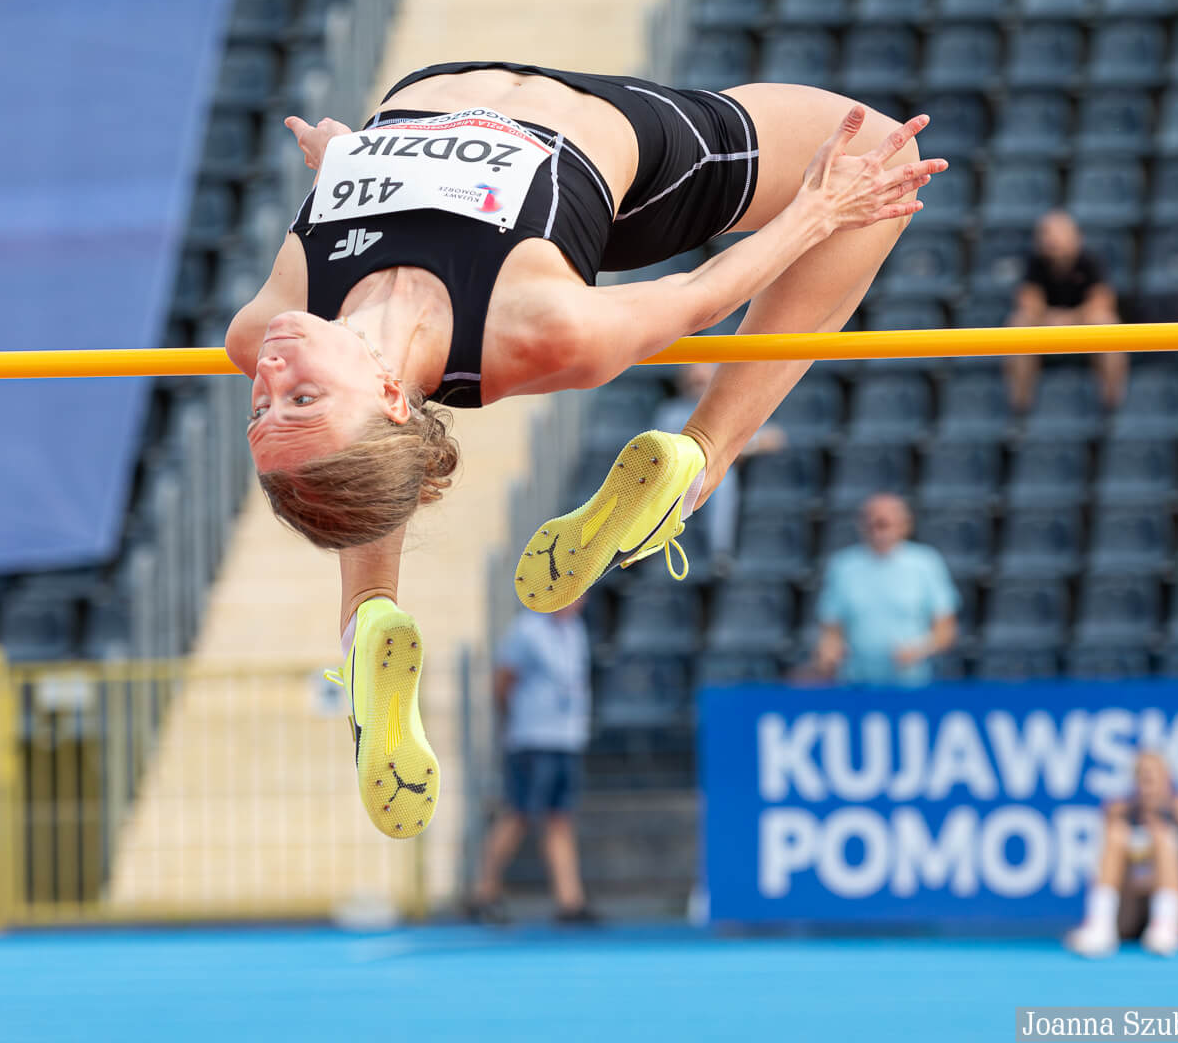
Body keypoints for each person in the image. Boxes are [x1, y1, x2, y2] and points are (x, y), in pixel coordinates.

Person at [231, 61, 944, 837]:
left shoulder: (265, 326)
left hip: (436, 107)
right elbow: (694, 299)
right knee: (883, 155)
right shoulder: (542, 327)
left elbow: (349, 433)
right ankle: (698, 460)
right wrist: (816, 213)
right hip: (608, 148)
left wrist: (348, 163)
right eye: (301, 398)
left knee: (349, 462)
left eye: (263, 406)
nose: (272, 372)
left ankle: (366, 615)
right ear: (394, 400)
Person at [469, 599, 596, 925]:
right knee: (519, 814)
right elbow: (503, 682)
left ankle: (570, 900)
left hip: (566, 737)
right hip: (532, 739)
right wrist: (513, 722)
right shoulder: (526, 629)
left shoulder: (575, 630)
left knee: (559, 818)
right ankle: (484, 891)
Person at [1066, 750, 1178, 958]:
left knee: (1163, 838)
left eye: (1152, 779)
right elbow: (1101, 868)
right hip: (1128, 913)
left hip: (1177, 913)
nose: (1146, 786)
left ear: (1168, 780)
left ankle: (1165, 925)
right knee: (1115, 835)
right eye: (1141, 778)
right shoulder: (1116, 811)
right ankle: (1100, 926)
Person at [805, 493, 959, 686]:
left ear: (904, 525)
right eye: (871, 525)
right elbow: (831, 629)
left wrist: (919, 650)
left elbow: (945, 630)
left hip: (910, 684)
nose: (877, 532)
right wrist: (829, 651)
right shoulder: (843, 566)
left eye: (884, 524)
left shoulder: (926, 564)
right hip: (856, 683)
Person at [651, 362, 786, 568]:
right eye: (693, 381)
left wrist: (738, 449)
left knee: (723, 481)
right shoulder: (672, 412)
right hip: (679, 477)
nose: (698, 384)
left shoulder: (730, 408)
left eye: (703, 381)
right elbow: (663, 452)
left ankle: (719, 554)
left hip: (716, 473)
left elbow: (774, 438)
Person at [1004, 210, 1125, 414]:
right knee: (1018, 324)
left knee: (1107, 323)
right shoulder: (1036, 262)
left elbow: (1102, 301)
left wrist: (1069, 319)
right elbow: (1027, 301)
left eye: (1056, 233)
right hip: (1046, 327)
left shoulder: (1089, 260)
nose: (1051, 239)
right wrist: (1050, 319)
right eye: (1046, 233)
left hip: (1082, 325)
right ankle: (1020, 406)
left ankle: (1111, 402)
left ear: (1074, 236)